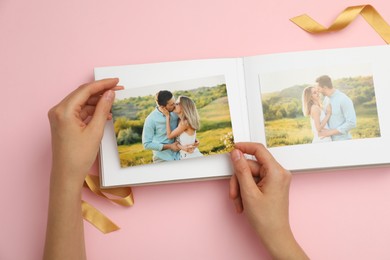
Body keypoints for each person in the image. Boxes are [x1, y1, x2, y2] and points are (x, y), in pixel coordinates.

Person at [44, 79, 308, 260]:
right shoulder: (152, 120)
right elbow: (148, 143)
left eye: (176, 106)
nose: (174, 108)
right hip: (164, 161)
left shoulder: (176, 118)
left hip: (180, 159)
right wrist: (171, 147)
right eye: (171, 106)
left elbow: (180, 135)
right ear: (163, 105)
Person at [142, 90, 181, 162]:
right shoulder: (151, 119)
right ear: (163, 107)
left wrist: (192, 139)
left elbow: (184, 125)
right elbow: (146, 144)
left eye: (175, 102)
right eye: (172, 104)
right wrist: (170, 146)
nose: (175, 105)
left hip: (180, 156)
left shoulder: (176, 112)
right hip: (162, 159)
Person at [315, 75, 356, 141]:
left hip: (343, 140)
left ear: (325, 87)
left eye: (319, 89)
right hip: (329, 141)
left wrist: (329, 132)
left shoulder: (343, 99)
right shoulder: (326, 99)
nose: (318, 91)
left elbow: (351, 123)